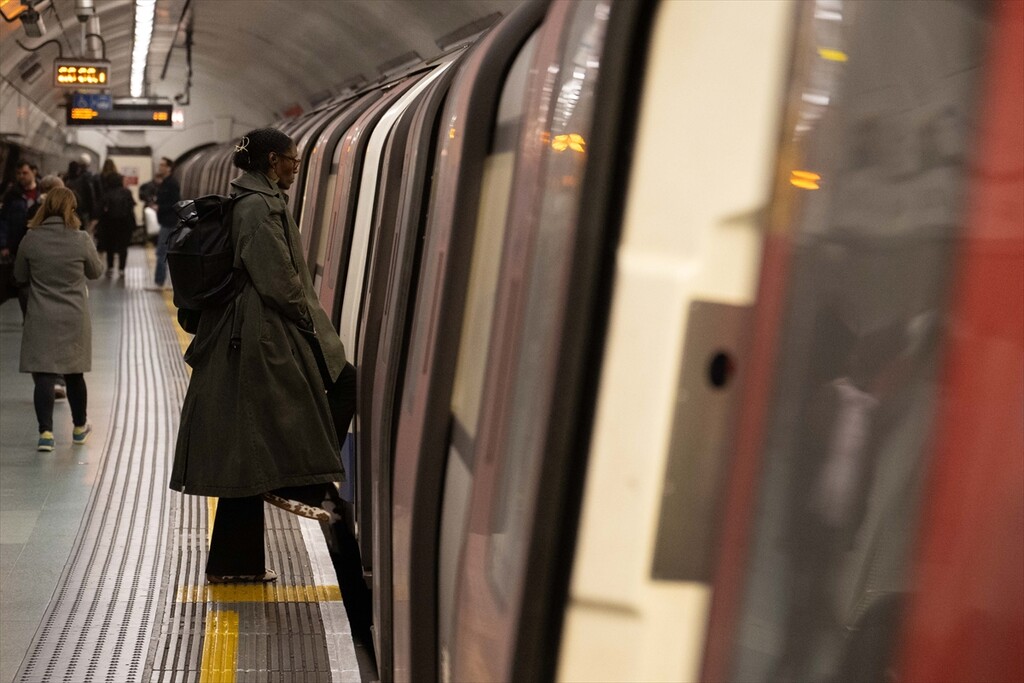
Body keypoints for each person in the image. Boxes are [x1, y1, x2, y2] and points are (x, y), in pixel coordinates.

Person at [169, 128, 356, 583]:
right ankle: (302, 484)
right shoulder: (258, 206)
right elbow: (278, 281)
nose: (296, 167)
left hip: (245, 332)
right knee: (342, 381)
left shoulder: (253, 200)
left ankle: (235, 563)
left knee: (246, 449)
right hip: (257, 334)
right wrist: (309, 323)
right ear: (273, 160)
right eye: (292, 160)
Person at [14, 188, 104, 452]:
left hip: (41, 315)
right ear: (71, 210)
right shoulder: (81, 239)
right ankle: (79, 428)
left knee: (44, 374)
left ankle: (46, 434)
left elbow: (20, 275)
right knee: (74, 373)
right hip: (74, 316)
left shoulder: (31, 238)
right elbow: (96, 272)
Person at [0, 161, 40, 318]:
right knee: (22, 283)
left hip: (37, 244)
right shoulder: (12, 194)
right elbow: (3, 220)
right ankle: (27, 316)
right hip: (16, 245)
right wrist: (4, 244)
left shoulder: (42, 193)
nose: (21, 176)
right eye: (19, 174)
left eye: (25, 173)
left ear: (34, 172)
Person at [95, 172, 136, 276]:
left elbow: (100, 209)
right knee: (123, 247)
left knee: (110, 246)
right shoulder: (127, 192)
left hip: (109, 223)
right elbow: (131, 206)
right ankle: (121, 269)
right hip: (125, 223)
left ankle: (110, 267)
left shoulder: (106, 193)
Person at [152, 157, 180, 289]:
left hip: (170, 222)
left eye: (163, 165)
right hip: (166, 221)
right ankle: (163, 281)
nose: (160, 167)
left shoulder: (172, 184)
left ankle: (160, 282)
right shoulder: (165, 183)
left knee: (162, 252)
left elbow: (175, 203)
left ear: (169, 168)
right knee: (164, 252)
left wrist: (159, 208)